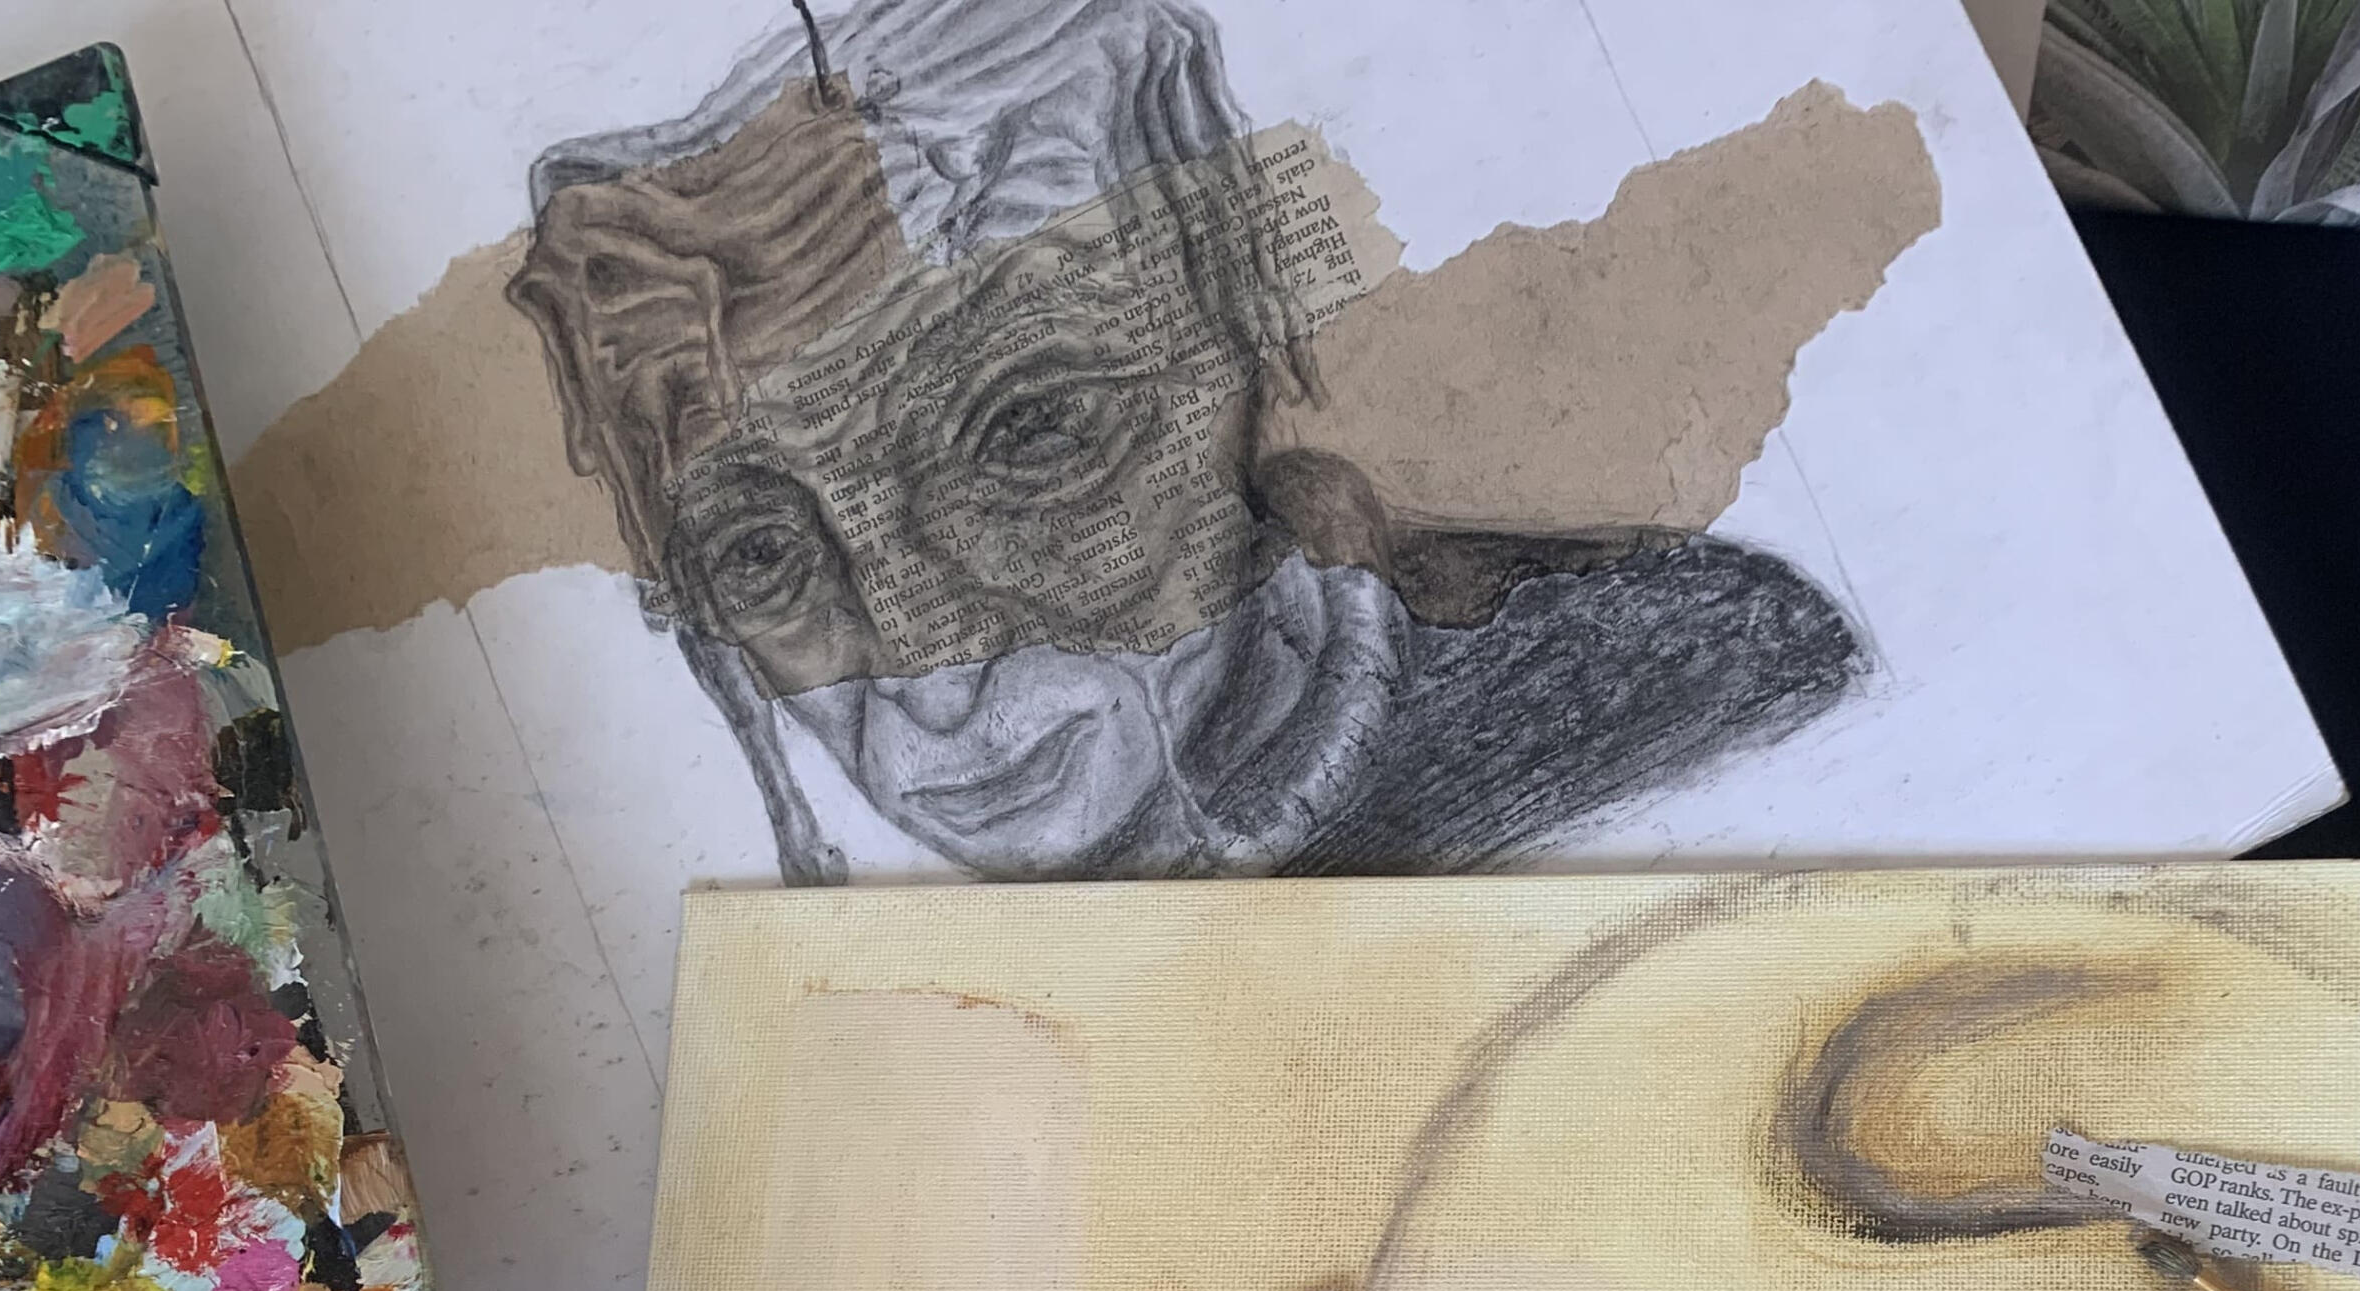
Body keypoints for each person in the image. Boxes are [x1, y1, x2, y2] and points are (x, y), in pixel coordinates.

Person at [508, 0, 1858, 883]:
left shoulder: (1682, 699)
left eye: (1031, 435)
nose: (933, 680)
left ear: (1230, 344)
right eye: (758, 553)